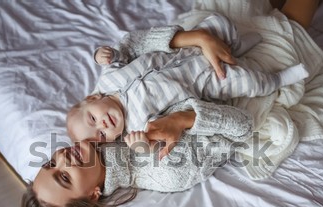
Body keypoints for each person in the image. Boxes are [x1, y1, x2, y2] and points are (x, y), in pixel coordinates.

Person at [17, 0, 320, 207]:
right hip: (243, 71)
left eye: (49, 163)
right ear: (93, 195)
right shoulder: (163, 169)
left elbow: (131, 46)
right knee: (286, 23)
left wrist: (198, 38)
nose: (62, 158)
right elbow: (241, 126)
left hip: (201, 34)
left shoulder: (97, 126)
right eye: (64, 178)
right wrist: (183, 120)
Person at [66, 13, 308, 158]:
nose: (103, 126)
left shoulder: (108, 80)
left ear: (92, 99)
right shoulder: (135, 126)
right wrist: (142, 146)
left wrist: (101, 54)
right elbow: (154, 142)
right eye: (101, 135)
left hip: (186, 51)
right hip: (206, 82)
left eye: (93, 119)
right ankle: (279, 79)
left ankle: (237, 46)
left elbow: (121, 53)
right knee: (251, 83)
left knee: (221, 24)